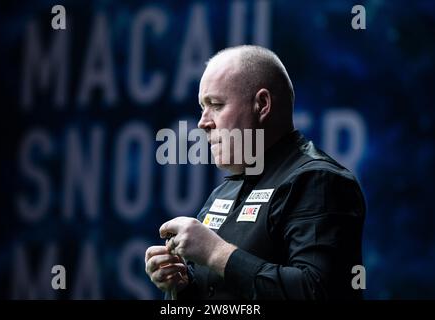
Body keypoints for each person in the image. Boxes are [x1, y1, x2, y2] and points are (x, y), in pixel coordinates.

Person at [145, 45, 366, 300]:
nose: (203, 122)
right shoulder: (225, 192)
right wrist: (182, 286)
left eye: (215, 104)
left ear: (262, 104)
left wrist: (215, 253)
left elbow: (318, 292)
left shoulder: (319, 181)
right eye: (201, 107)